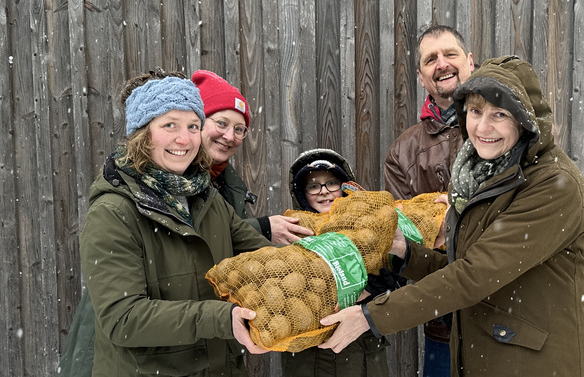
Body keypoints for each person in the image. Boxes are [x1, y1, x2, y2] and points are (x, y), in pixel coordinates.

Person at [318, 56, 584, 376]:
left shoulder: (554, 186)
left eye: (499, 114)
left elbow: (474, 276)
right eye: (476, 112)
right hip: (486, 359)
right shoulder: (485, 175)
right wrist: (406, 252)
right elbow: (465, 266)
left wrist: (371, 317)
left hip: (534, 366)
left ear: (524, 121)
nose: (482, 127)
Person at [78, 70, 272, 376]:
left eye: (193, 126)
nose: (184, 139)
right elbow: (123, 319)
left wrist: (323, 266)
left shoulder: (204, 196)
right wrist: (222, 319)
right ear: (143, 133)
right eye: (170, 125)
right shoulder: (113, 211)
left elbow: (262, 256)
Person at [381, 24, 475, 377]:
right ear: (422, 77)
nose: (441, 64)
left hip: (506, 316)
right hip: (443, 323)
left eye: (449, 54)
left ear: (469, 61)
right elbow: (404, 237)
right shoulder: (403, 151)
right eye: (430, 59)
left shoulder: (500, 127)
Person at [278, 148, 392, 377]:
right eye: (313, 185)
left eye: (331, 183)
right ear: (302, 192)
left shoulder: (370, 230)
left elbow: (396, 282)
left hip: (362, 352)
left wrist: (372, 288)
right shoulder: (289, 233)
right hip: (308, 358)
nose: (324, 192)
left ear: (345, 186)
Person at [192, 70, 314, 245]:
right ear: (198, 122)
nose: (229, 136)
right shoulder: (179, 177)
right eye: (221, 123)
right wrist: (263, 228)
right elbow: (194, 241)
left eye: (239, 129)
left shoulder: (227, 183)